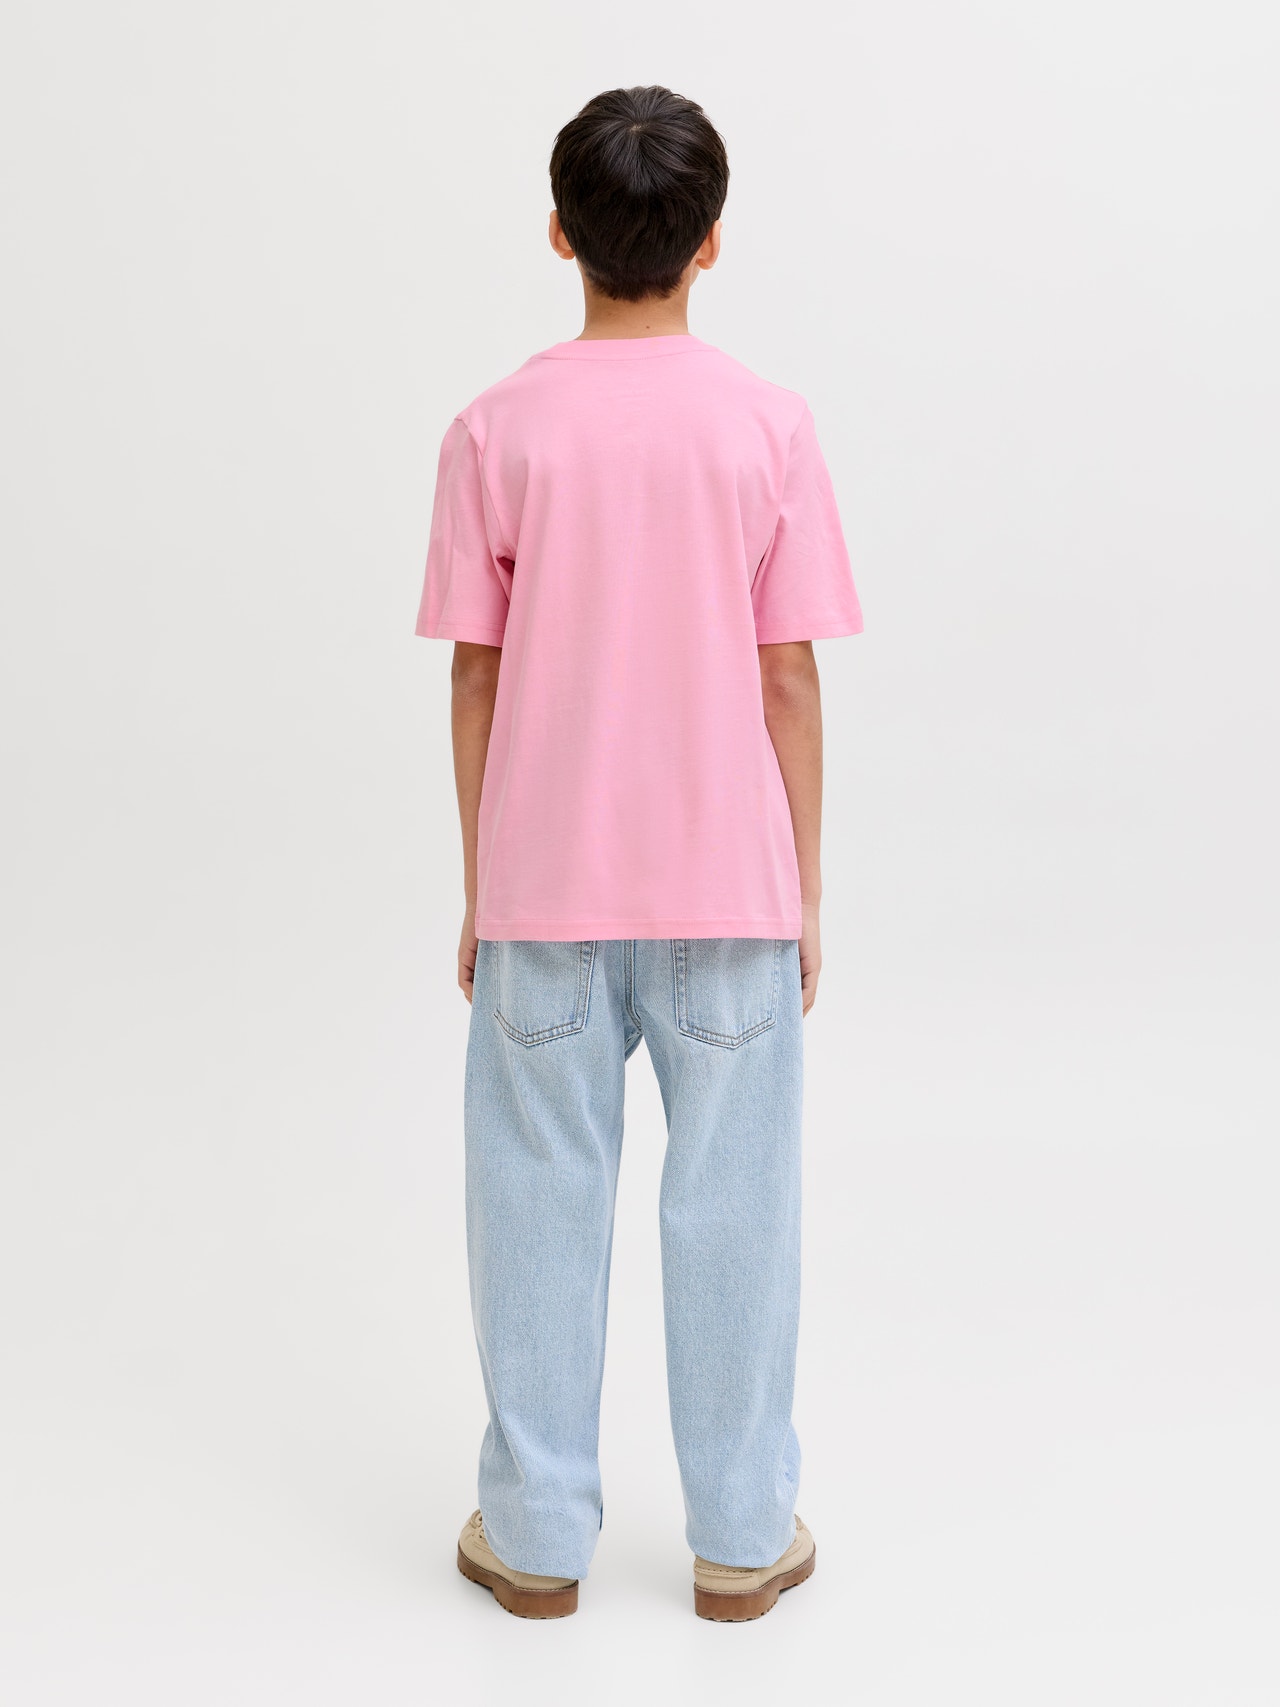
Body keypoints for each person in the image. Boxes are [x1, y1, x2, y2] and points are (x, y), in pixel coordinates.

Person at [415, 84, 863, 1621]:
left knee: (536, 1201)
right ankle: (742, 1535)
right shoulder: (768, 426)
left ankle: (535, 1534)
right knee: (735, 1207)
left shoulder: (495, 428)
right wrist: (804, 889)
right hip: (728, 887)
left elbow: (477, 677)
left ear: (559, 235)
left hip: (545, 889)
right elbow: (787, 676)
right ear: (711, 242)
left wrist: (482, 885)